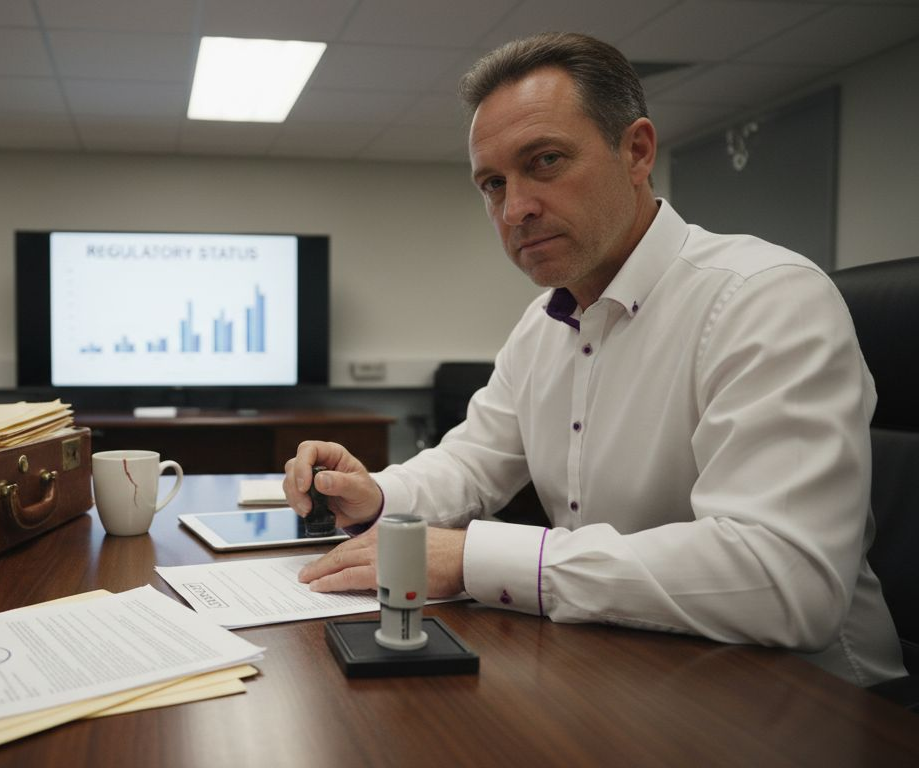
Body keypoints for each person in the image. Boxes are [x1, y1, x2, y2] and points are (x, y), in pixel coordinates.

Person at [284, 32, 904, 687]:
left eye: (545, 161)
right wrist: (378, 494)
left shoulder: (765, 299)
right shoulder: (542, 324)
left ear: (636, 151)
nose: (515, 209)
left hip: (811, 700)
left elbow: (785, 580)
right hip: (636, 666)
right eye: (493, 184)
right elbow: (473, 461)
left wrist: (476, 559)